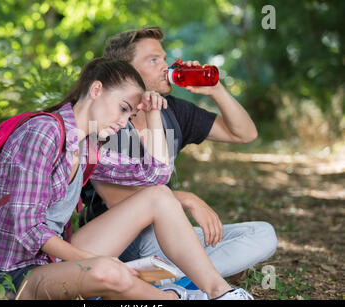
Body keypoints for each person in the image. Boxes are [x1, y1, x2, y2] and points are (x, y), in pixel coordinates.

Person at [0, 57, 254, 300]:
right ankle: (174, 297)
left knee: (158, 196)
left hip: (54, 260)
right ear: (96, 89)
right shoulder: (43, 132)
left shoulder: (88, 146)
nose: (124, 122)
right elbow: (28, 229)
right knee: (109, 271)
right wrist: (95, 261)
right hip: (18, 277)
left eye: (131, 115)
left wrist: (153, 112)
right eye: (123, 109)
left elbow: (156, 175)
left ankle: (221, 293)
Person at [80, 27, 278, 284]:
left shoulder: (171, 111)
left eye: (164, 58)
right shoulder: (107, 118)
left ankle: (169, 278)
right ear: (125, 70)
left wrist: (216, 90)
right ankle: (193, 275)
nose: (166, 66)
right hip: (122, 239)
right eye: (154, 60)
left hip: (169, 233)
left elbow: (244, 134)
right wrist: (186, 199)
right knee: (157, 236)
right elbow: (117, 201)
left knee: (263, 233)